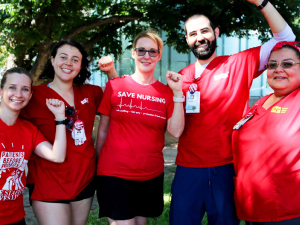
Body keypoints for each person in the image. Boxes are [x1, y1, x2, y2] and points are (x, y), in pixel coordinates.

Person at [169, 0, 296, 224]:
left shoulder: (239, 63)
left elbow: (285, 39)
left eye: (205, 31)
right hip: (188, 167)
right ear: (187, 39)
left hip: (227, 167)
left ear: (216, 32)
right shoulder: (181, 76)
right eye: (193, 33)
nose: (200, 37)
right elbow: (175, 128)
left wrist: (262, 2)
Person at [20, 39, 115, 225]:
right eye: (63, 57)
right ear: (53, 60)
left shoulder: (91, 92)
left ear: (80, 66)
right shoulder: (34, 96)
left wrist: (111, 71)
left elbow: (119, 97)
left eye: (75, 60)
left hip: (84, 178)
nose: (68, 63)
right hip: (47, 180)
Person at [96, 29, 184, 225]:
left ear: (159, 56)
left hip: (149, 174)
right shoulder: (115, 85)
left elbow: (176, 131)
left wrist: (177, 93)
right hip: (114, 173)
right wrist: (97, 164)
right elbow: (102, 130)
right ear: (133, 53)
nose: (147, 56)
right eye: (141, 50)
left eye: (153, 51)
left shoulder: (166, 92)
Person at [232, 41, 300, 225]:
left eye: (287, 64)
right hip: (253, 205)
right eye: (272, 65)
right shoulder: (261, 102)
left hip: (287, 210)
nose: (278, 69)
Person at [0, 67, 66, 225]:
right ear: (1, 91)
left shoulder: (28, 130)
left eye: (25, 89)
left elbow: (57, 155)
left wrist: (60, 117)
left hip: (15, 217)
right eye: (12, 88)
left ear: (30, 95)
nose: (18, 94)